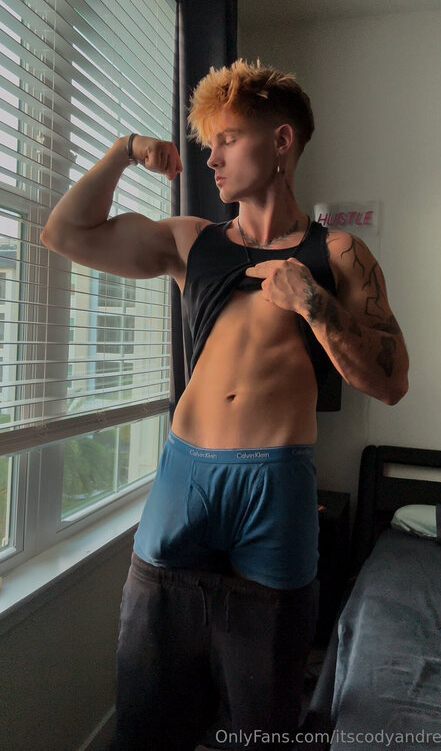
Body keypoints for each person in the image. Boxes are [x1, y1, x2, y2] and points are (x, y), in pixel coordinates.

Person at [41, 59, 409, 750]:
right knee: (147, 707)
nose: (211, 158)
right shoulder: (192, 240)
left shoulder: (338, 253)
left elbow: (391, 382)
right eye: (209, 143)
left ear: (281, 141)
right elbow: (64, 234)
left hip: (276, 486)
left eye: (228, 139)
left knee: (263, 714)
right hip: (186, 477)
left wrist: (314, 303)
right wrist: (124, 151)